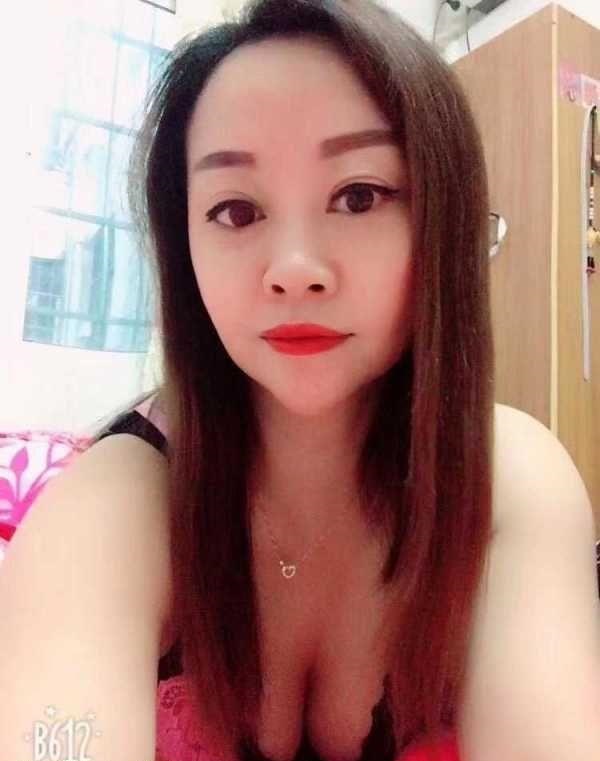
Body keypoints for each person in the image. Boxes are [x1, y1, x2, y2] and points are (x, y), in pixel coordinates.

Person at [0, 1, 493, 760]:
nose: (293, 270)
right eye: (235, 210)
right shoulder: (122, 495)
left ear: (443, 220)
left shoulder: (503, 480)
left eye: (359, 195)